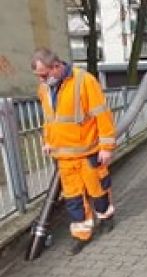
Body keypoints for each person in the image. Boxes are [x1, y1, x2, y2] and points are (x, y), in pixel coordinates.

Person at [31, 47, 116, 255]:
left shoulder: (84, 81)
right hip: (64, 157)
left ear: (57, 67)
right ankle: (81, 235)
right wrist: (48, 140)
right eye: (38, 76)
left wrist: (106, 147)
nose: (42, 80)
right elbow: (50, 119)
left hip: (89, 152)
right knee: (74, 199)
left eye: (44, 75)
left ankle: (106, 217)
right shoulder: (43, 89)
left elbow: (102, 116)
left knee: (98, 191)